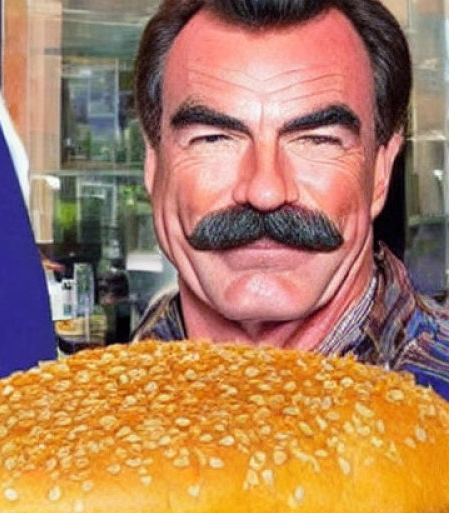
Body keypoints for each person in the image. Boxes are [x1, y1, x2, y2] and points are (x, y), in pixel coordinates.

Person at [130, 0, 449, 399]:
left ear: (381, 171)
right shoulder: (70, 420)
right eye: (214, 138)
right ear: (153, 165)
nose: (265, 191)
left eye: (318, 140)